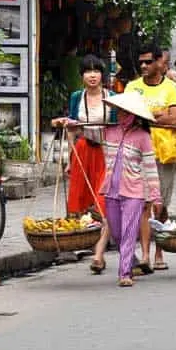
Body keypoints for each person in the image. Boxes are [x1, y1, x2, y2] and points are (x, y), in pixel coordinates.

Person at [75, 92, 161, 288]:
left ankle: (125, 273)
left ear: (135, 115)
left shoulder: (143, 136)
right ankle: (131, 261)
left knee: (129, 231)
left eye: (127, 113)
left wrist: (155, 196)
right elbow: (87, 132)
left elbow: (150, 167)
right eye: (121, 112)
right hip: (112, 189)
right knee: (116, 232)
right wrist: (69, 123)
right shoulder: (109, 132)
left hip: (135, 191)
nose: (122, 115)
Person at [51, 54, 117, 274]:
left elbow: (117, 128)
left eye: (96, 71)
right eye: (87, 72)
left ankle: (99, 252)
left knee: (103, 201)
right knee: (77, 199)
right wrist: (70, 158)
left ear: (102, 75)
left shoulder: (112, 97)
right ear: (82, 76)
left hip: (106, 152)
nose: (92, 76)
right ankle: (72, 243)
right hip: (83, 150)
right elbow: (72, 127)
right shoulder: (77, 97)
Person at [126, 44, 176, 273]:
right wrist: (158, 114)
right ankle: (145, 254)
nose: (143, 66)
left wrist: (147, 117)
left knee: (160, 204)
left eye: (148, 62)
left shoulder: (173, 88)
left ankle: (159, 249)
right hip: (137, 150)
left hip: (165, 151)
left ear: (160, 63)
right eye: (140, 62)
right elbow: (129, 117)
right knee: (142, 203)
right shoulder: (132, 87)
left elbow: (174, 118)